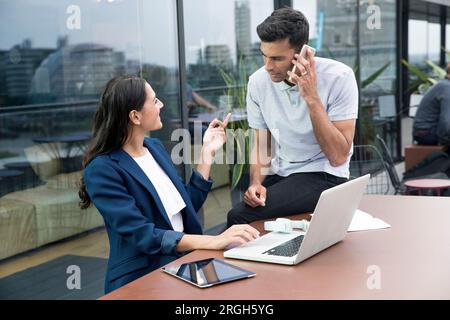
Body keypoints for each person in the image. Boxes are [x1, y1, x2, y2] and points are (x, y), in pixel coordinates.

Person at [78, 76, 259, 294]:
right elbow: (142, 234)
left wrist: (207, 154)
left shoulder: (154, 148)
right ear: (135, 116)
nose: (161, 104)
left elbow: (186, 206)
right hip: (143, 277)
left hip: (184, 264)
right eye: (154, 101)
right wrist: (213, 241)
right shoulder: (102, 169)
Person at [227, 8, 358, 227]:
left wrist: (311, 98)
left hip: (325, 174)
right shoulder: (257, 82)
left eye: (277, 58)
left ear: (303, 54)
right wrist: (255, 183)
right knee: (245, 207)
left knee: (238, 216)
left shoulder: (339, 77)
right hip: (284, 172)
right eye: (264, 55)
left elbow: (338, 156)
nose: (268, 66)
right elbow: (262, 145)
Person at [412, 64, 450, 146]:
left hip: (425, 131)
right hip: (426, 133)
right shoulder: (446, 88)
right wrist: (444, 142)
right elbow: (446, 121)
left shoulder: (443, 84)